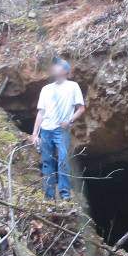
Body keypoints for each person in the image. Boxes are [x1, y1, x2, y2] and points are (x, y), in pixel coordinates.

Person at [30, 58, 85, 201]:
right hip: (45, 130)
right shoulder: (46, 89)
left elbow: (81, 108)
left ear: (66, 71)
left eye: (58, 66)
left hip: (61, 130)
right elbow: (41, 113)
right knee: (47, 162)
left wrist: (69, 121)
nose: (54, 68)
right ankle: (49, 196)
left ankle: (64, 193)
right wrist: (35, 133)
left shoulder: (73, 86)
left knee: (63, 160)